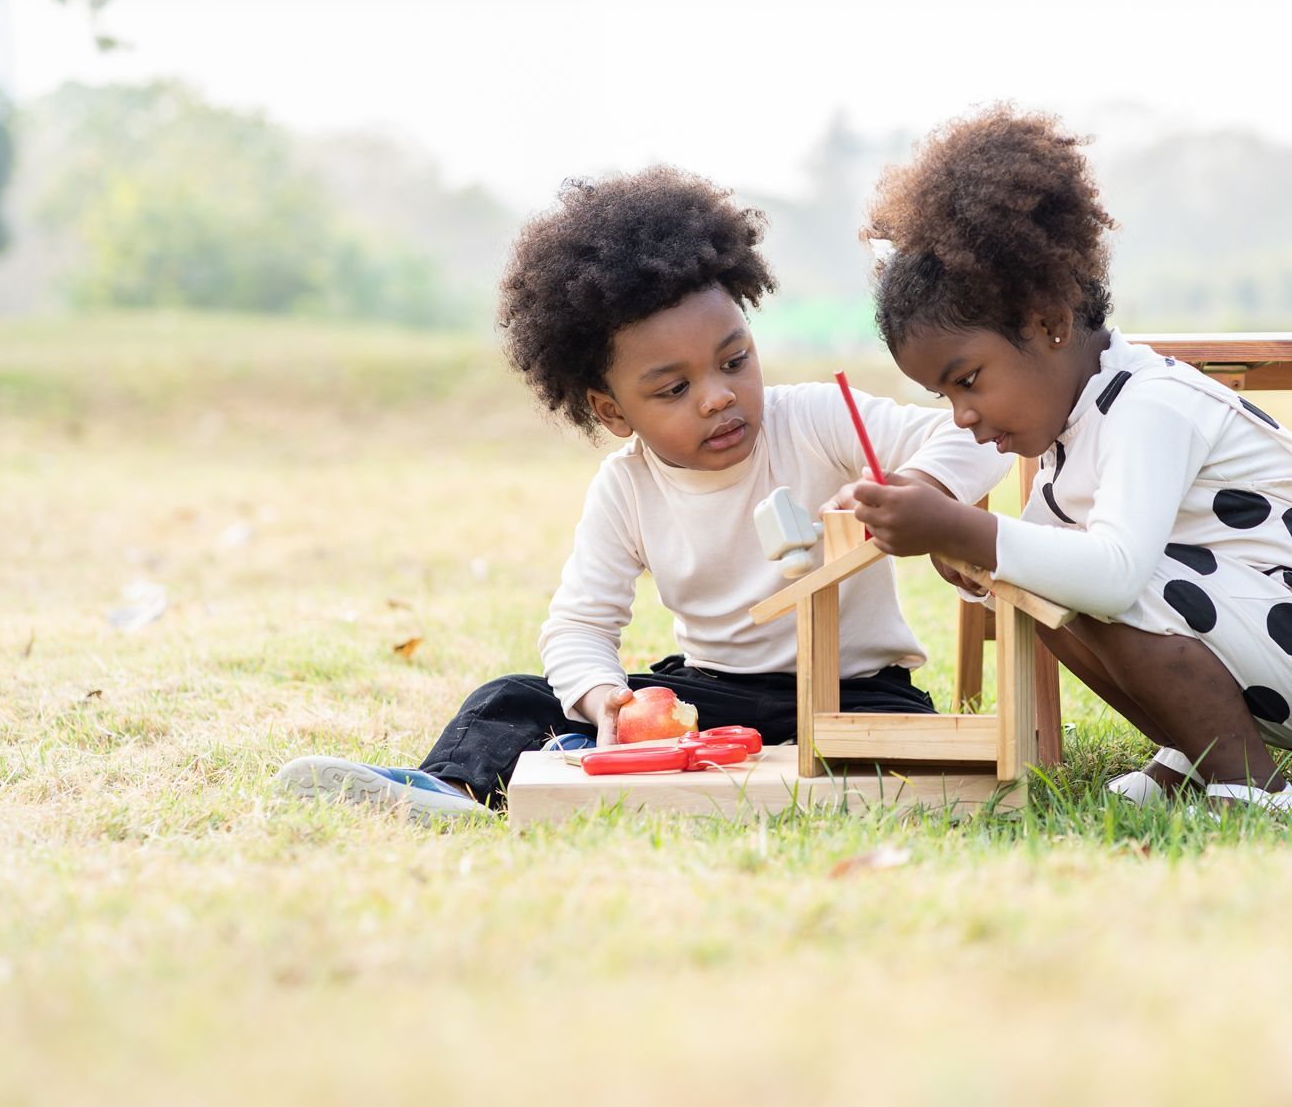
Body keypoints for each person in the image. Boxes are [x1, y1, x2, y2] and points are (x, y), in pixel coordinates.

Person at [277, 166, 1007, 821]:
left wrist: (921, 486)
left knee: (896, 756)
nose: (718, 397)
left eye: (734, 360)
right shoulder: (626, 487)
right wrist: (606, 700)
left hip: (858, 690)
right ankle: (454, 794)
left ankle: (593, 758)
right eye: (675, 388)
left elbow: (973, 434)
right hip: (714, 693)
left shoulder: (814, 418)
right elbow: (578, 627)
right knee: (511, 698)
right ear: (613, 410)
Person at [845, 107, 1292, 811]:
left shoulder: (1150, 404)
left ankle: (1252, 784)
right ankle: (1195, 751)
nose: (961, 414)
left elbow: (1113, 579)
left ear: (1048, 323)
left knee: (1091, 571)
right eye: (942, 394)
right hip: (1264, 641)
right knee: (1046, 573)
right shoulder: (1070, 430)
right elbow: (1055, 570)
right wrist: (971, 560)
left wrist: (963, 531)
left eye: (968, 380)